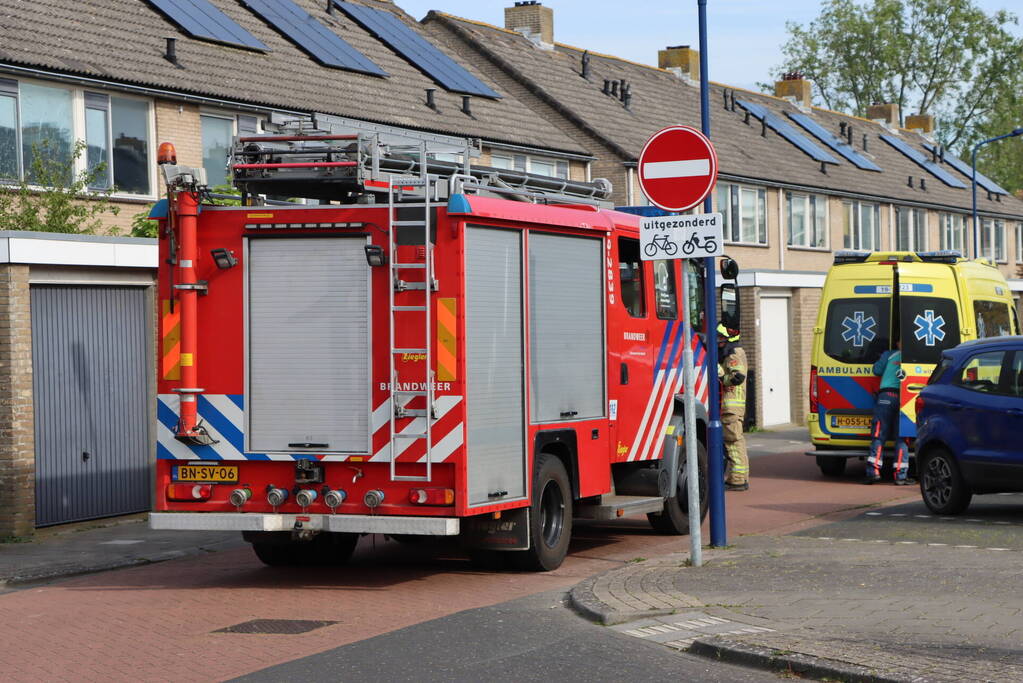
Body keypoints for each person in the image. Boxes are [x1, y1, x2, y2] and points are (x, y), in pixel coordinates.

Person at [866, 341, 910, 485]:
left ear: (897, 343)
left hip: (886, 396)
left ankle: (873, 472)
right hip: (906, 398)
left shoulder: (889, 354)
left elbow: (876, 370)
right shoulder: (915, 356)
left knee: (879, 434)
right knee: (902, 437)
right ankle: (900, 476)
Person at [717, 323, 749, 491]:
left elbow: (738, 377)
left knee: (732, 442)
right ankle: (740, 477)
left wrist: (722, 378)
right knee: (737, 441)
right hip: (733, 407)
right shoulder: (736, 351)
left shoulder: (733, 353)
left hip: (731, 406)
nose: (718, 341)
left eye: (721, 338)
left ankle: (737, 479)